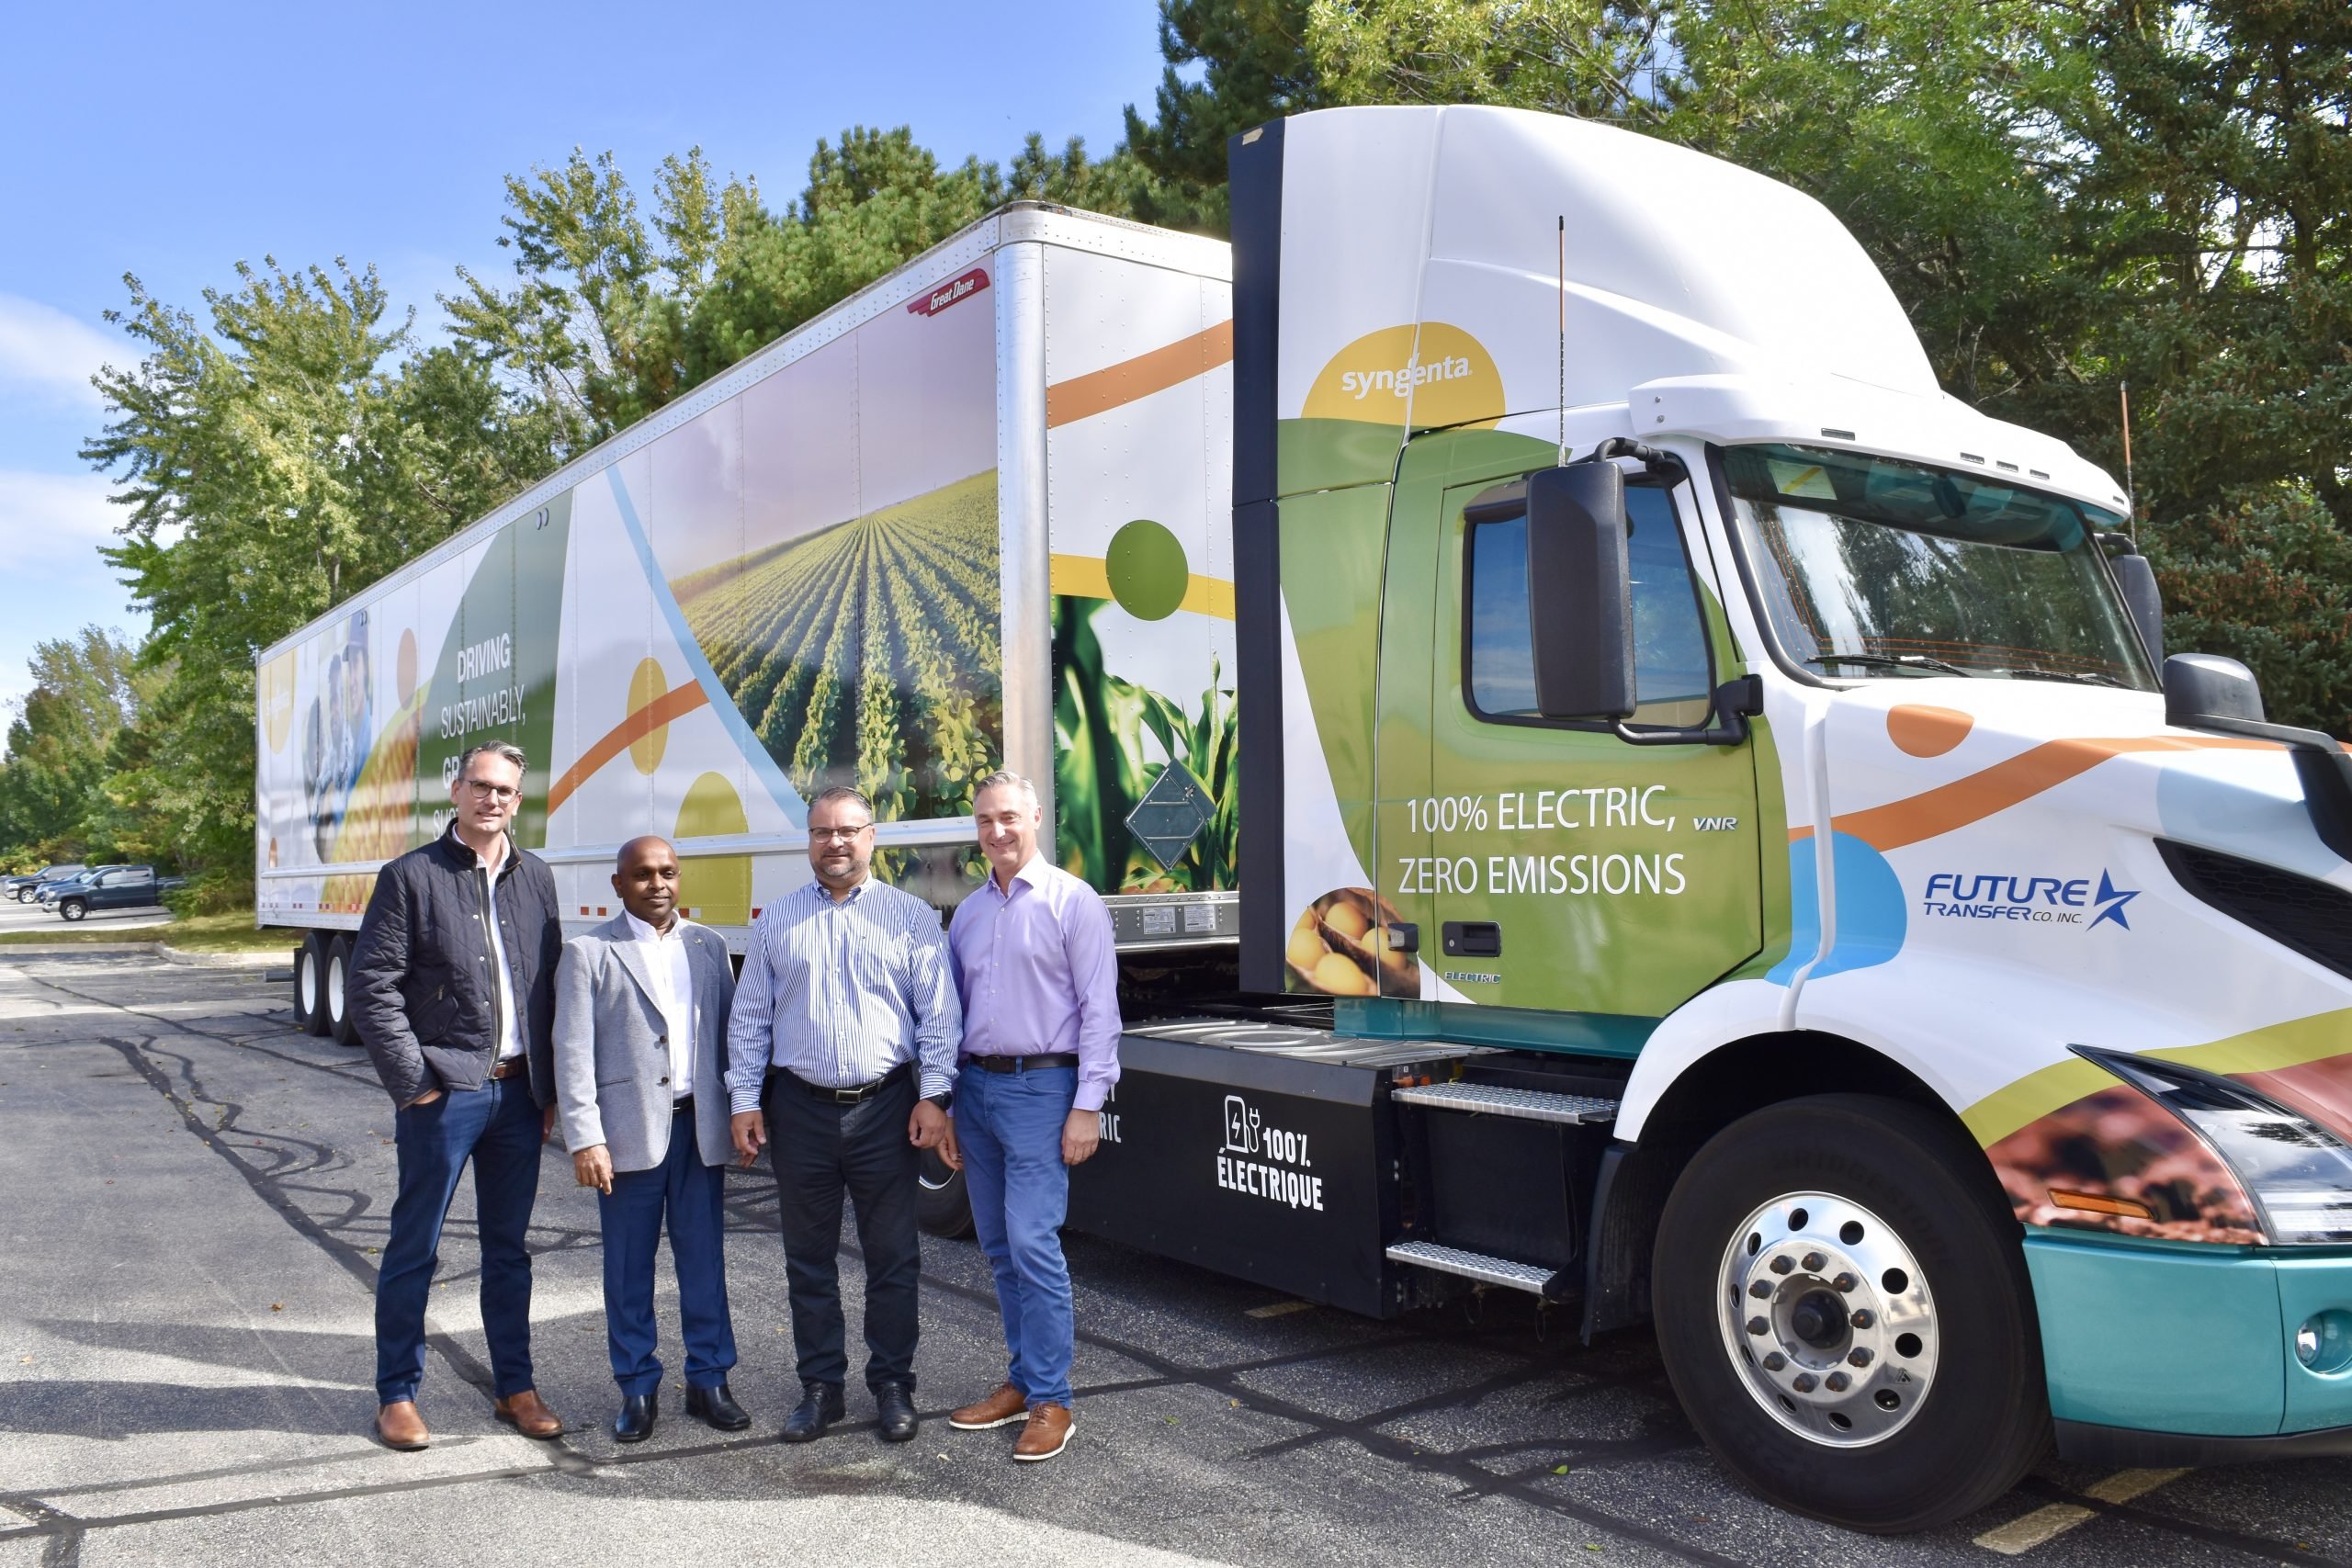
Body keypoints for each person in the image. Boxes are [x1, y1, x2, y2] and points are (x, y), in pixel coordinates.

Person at [349, 739, 566, 1451]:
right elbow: (372, 988)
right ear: (456, 789)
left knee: (509, 1249)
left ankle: (516, 1385)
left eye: (505, 789)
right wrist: (415, 1085)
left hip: (518, 1094)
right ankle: (397, 1394)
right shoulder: (411, 876)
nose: (492, 799)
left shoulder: (536, 878)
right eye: (480, 785)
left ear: (517, 799)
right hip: (446, 1094)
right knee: (416, 1244)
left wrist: (552, 1088)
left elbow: (551, 987)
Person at [727, 785, 959, 1444]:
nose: (836, 842)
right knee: (808, 1258)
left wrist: (934, 1094)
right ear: (809, 840)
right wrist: (745, 1098)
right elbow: (750, 1019)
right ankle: (821, 1386)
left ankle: (892, 1383)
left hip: (885, 1107)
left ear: (872, 836)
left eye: (848, 830)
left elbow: (939, 1015)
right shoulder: (776, 920)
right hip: (799, 1110)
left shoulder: (911, 918)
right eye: (822, 831)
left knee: (893, 1257)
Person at [944, 769, 1119, 1462]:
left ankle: (1053, 1400)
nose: (997, 831)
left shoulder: (1073, 903)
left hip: (1045, 1091)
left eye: (1009, 817)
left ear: (1037, 816)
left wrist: (1087, 1106)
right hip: (978, 1089)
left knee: (1033, 1242)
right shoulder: (969, 912)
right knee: (996, 1243)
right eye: (985, 820)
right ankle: (1021, 1380)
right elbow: (956, 1015)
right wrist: (955, 1102)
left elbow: (1102, 1012)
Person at [554, 836, 749, 1443]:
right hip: (627, 1135)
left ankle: (708, 1378)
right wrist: (586, 1136)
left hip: (698, 1129)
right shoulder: (590, 952)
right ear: (618, 884)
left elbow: (728, 1036)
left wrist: (742, 1109)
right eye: (641, 874)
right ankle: (637, 1386)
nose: (657, 883)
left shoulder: (709, 946)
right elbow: (572, 1050)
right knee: (628, 1268)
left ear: (679, 877)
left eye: (667, 872)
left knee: (704, 1261)